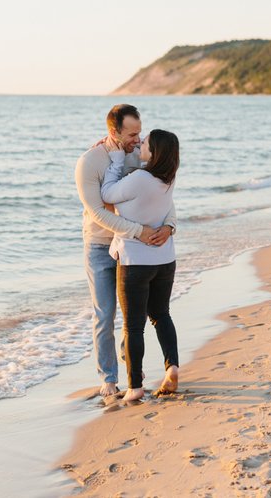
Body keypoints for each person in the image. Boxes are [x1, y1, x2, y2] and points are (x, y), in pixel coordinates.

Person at [74, 104, 175, 401]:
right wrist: (138, 230)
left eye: (139, 132)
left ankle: (130, 358)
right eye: (132, 134)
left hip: (134, 248)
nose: (137, 138)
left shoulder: (140, 154)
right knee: (105, 314)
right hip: (101, 245)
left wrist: (169, 225)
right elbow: (97, 212)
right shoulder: (89, 163)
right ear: (113, 132)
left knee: (137, 315)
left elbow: (164, 193)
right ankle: (108, 378)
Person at [101, 128, 181, 403]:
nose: (140, 144)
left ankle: (135, 387)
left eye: (145, 143)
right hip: (165, 259)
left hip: (136, 261)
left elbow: (108, 194)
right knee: (161, 315)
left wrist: (116, 162)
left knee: (134, 326)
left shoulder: (140, 178)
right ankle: (172, 366)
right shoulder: (168, 178)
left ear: (154, 151)